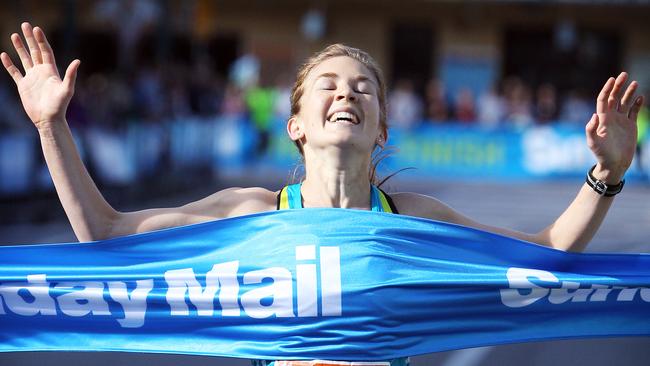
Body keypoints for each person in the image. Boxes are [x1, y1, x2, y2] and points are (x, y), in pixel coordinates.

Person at [1, 23, 645, 366]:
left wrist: (607, 174)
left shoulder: (415, 220)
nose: (348, 94)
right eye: (330, 85)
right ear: (297, 125)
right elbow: (102, 235)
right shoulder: (249, 213)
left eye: (365, 88)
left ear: (383, 128)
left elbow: (545, 256)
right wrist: (50, 126)